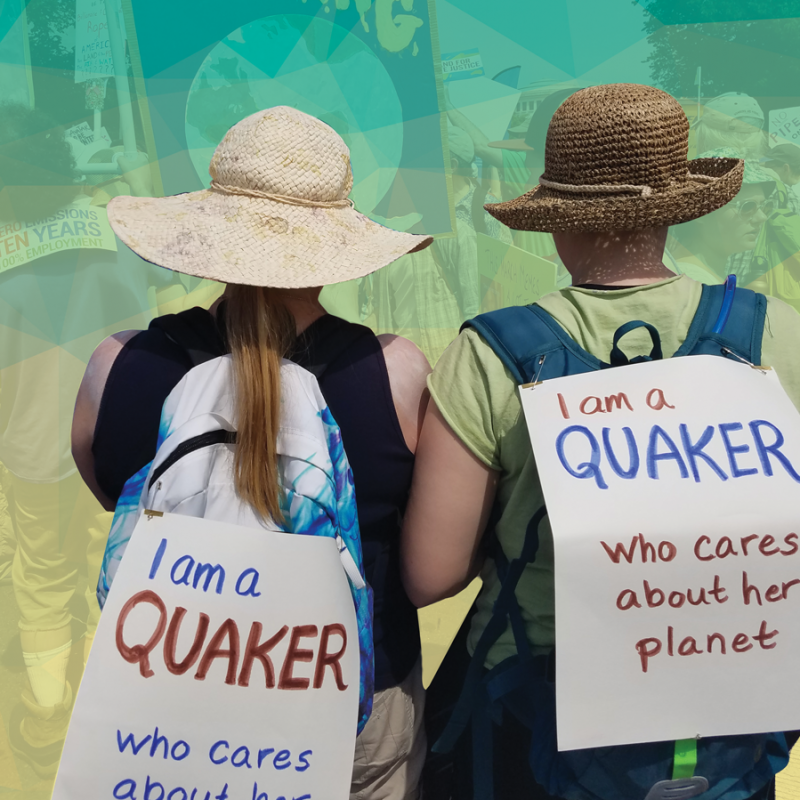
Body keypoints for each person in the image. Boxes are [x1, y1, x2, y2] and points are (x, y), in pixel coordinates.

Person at [401, 83, 800, 800]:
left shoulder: (492, 353)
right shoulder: (779, 333)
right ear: (677, 214)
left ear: (556, 222)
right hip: (732, 704)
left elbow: (432, 575)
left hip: (544, 716)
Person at [72, 106, 433, 800]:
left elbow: (117, 493)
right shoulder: (397, 374)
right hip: (349, 706)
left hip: (169, 703)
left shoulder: (113, 365)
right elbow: (426, 561)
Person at [0, 103, 162, 778]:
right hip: (115, 444)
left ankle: (44, 714)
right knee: (112, 572)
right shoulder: (112, 230)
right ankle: (107, 710)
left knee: (41, 576)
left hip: (30, 448)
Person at [669, 150, 775, 285]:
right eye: (747, 207)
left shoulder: (702, 275)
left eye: (765, 206)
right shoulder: (695, 283)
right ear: (701, 212)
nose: (762, 217)